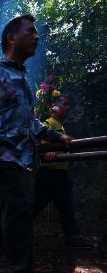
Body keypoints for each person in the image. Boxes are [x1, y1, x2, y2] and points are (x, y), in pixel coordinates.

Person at [0, 14, 73, 273]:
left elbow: (31, 123)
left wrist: (56, 136)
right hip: (1, 155)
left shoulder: (24, 81)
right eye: (31, 31)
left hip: (21, 156)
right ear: (12, 37)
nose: (36, 36)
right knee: (20, 208)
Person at [34, 96, 93, 249]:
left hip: (59, 172)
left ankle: (73, 238)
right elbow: (40, 143)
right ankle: (14, 233)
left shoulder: (59, 125)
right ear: (54, 106)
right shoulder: (49, 123)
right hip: (49, 173)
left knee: (66, 206)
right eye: (65, 104)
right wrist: (49, 152)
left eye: (68, 104)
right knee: (36, 206)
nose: (67, 107)